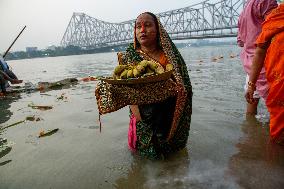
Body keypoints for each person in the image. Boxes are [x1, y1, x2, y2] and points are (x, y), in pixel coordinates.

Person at [96, 12, 192, 159]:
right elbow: (126, 87)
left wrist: (177, 90)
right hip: (141, 112)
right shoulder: (129, 56)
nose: (142, 30)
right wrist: (139, 115)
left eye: (148, 25)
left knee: (171, 156)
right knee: (144, 155)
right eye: (138, 26)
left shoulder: (170, 55)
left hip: (169, 111)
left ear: (158, 29)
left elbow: (183, 83)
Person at [245, 2, 284, 146]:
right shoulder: (274, 11)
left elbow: (241, 41)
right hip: (268, 74)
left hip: (251, 64)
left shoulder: (248, 9)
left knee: (252, 109)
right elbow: (260, 50)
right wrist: (251, 84)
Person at [237, 0, 278, 115]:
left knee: (251, 107)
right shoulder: (267, 1)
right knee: (277, 110)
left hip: (250, 67)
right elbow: (274, 29)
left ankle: (252, 131)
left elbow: (240, 41)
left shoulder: (244, 11)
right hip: (267, 64)